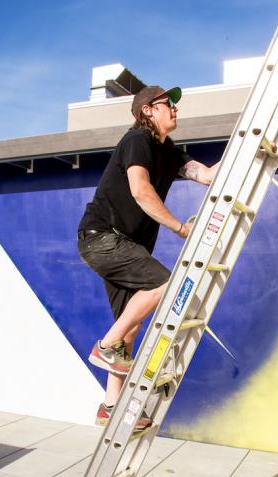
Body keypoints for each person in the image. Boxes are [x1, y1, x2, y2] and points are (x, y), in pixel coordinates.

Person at [77, 85, 218, 430]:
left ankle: (110, 406)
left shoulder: (168, 152)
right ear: (147, 111)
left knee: (130, 325)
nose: (175, 109)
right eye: (167, 104)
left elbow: (208, 175)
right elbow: (141, 191)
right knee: (166, 284)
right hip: (104, 238)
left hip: (121, 245)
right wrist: (180, 228)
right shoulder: (137, 140)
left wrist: (249, 149)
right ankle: (105, 346)